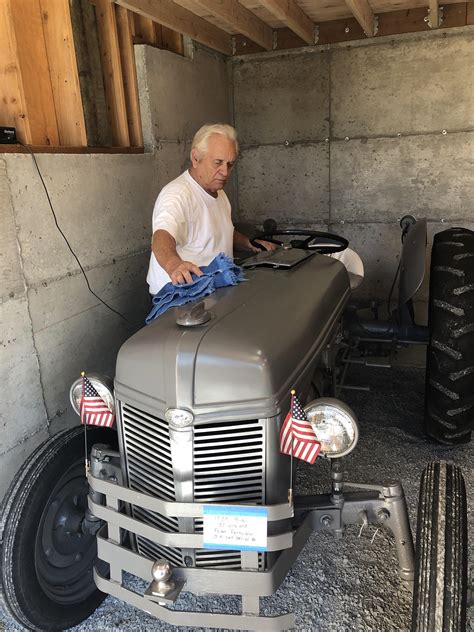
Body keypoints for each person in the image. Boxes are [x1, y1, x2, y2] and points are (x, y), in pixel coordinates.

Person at [147, 123, 275, 295]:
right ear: (195, 158)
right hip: (180, 294)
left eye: (230, 164)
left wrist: (248, 243)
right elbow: (161, 237)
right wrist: (174, 265)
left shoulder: (218, 192)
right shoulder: (177, 195)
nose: (225, 172)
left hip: (214, 288)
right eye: (218, 162)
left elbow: (220, 230)